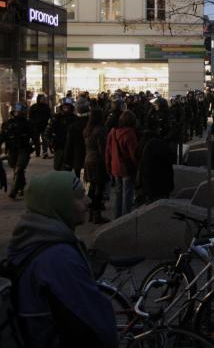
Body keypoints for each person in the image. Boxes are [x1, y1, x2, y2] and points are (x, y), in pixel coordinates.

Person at [6, 172, 118, 347]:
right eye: (80, 197)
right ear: (59, 204)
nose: (88, 201)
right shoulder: (60, 258)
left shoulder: (32, 238)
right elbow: (96, 322)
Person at [105, 110, 139, 218]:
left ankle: (117, 216)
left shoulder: (112, 132)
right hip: (127, 168)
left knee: (118, 193)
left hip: (115, 166)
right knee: (127, 194)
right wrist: (138, 166)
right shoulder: (130, 134)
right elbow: (134, 153)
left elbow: (108, 151)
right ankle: (126, 217)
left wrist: (108, 166)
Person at [0, 103, 36, 199]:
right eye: (16, 111)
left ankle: (14, 191)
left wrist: (35, 147)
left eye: (20, 111)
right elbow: (2, 136)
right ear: (13, 112)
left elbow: (34, 136)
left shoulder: (28, 124)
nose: (18, 113)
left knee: (19, 168)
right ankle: (22, 187)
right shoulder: (8, 124)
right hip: (12, 150)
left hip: (24, 149)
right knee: (15, 168)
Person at [83, 109, 110, 224]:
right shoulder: (100, 130)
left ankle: (91, 213)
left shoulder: (87, 130)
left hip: (88, 159)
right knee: (99, 188)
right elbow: (102, 149)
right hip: (98, 161)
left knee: (92, 187)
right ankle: (97, 214)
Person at [135, 129, 174, 204]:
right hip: (163, 184)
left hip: (148, 185)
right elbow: (171, 158)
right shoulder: (160, 145)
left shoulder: (143, 145)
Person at [62, 98, 90, 179]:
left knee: (77, 180)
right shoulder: (93, 123)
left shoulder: (73, 126)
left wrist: (67, 160)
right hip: (91, 157)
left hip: (77, 157)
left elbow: (69, 144)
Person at [47, 99, 76, 171]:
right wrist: (51, 142)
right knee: (57, 167)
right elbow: (48, 131)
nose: (66, 108)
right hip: (58, 146)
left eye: (68, 106)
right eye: (64, 106)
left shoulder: (75, 119)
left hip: (70, 148)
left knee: (67, 168)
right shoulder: (56, 118)